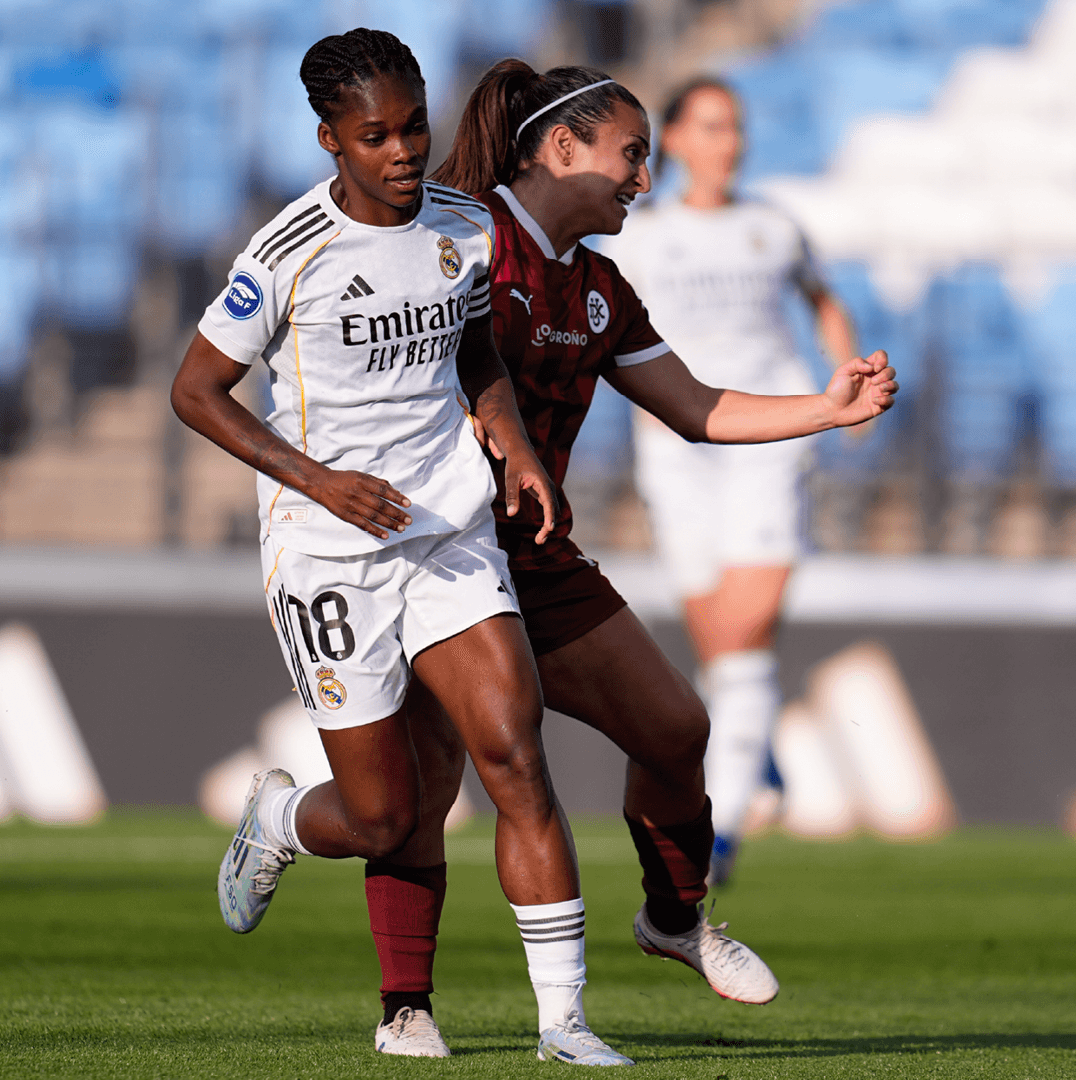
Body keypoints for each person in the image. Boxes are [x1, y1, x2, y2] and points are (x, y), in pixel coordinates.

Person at [331, 59, 895, 1051]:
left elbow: (695, 407)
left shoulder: (598, 286)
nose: (644, 177)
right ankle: (405, 1006)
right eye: (632, 155)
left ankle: (675, 918)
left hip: (534, 554)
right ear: (561, 148)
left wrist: (826, 406)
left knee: (675, 727)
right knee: (424, 794)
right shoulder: (459, 238)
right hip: (432, 552)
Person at [171, 30, 635, 1066]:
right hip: (327, 552)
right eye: (375, 135)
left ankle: (563, 1021)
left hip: (448, 529)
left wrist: (512, 443)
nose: (403, 150)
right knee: (386, 817)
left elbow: (474, 349)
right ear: (330, 140)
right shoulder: (286, 253)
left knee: (515, 753)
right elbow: (195, 391)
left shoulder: (464, 227)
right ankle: (284, 821)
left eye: (414, 127)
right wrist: (319, 480)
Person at [607, 76, 860, 885]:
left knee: (745, 635)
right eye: (712, 126)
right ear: (676, 139)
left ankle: (720, 831)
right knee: (721, 642)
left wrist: (845, 372)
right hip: (677, 447)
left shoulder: (772, 226)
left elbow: (823, 301)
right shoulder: (639, 236)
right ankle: (757, 744)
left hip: (768, 437)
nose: (731, 142)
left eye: (737, 127)